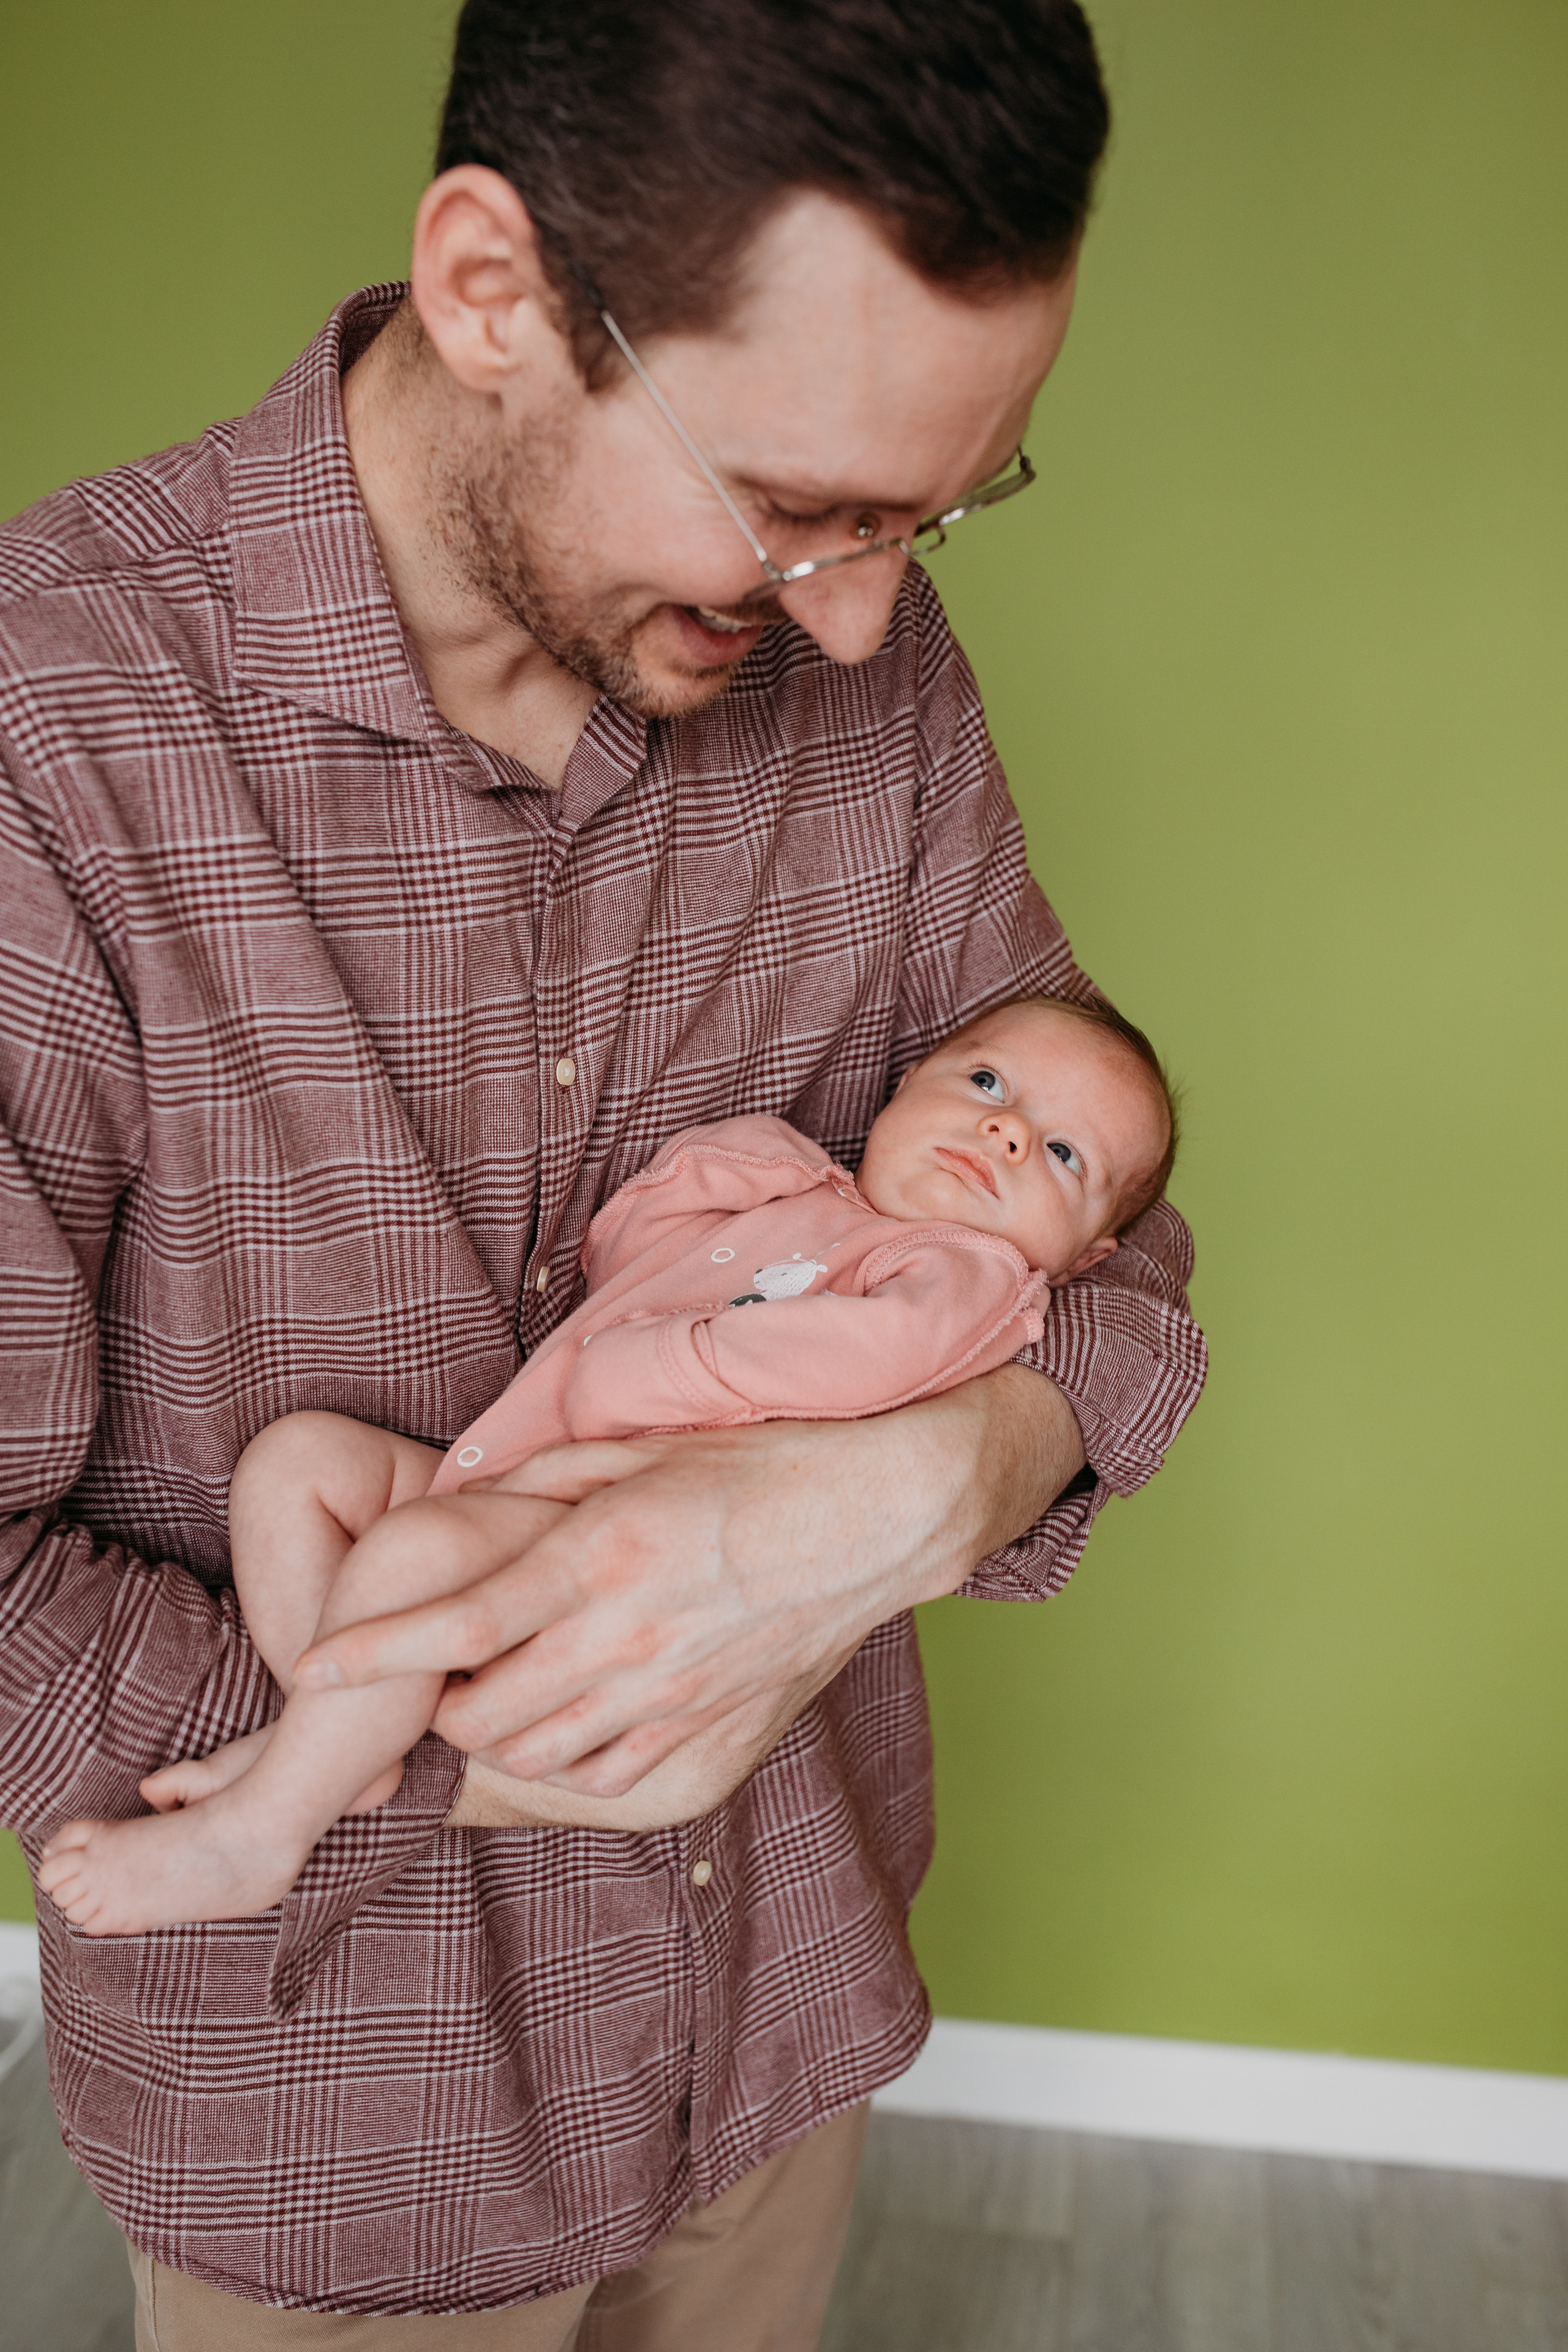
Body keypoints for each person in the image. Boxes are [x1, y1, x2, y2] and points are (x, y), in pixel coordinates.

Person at [0, 0, 1207, 2340]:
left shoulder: (859, 652)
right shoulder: (46, 754)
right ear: (489, 289)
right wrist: (521, 1726)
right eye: (803, 503)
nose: (868, 614)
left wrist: (925, 1483)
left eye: (938, 511)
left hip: (781, 2024)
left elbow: (1116, 1245)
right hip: (347, 2120)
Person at [39, 995, 1178, 1939]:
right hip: (521, 1466)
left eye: (1063, 1153)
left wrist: (655, 1362)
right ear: (904, 1085)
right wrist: (738, 1166)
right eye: (986, 1087)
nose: (1008, 1134)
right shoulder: (810, 1203)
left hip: (615, 1521)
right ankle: (334, 1740)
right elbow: (627, 1244)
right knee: (296, 1468)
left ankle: (262, 1835)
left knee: (414, 1553)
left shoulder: (968, 1276)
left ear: (1085, 1260)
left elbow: (855, 1356)